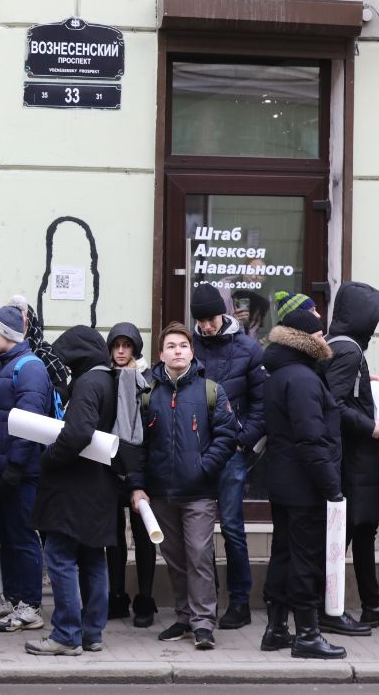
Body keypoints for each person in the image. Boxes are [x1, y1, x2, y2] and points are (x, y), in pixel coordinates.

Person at [129, 322, 236, 651]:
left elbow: (226, 437)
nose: (178, 351)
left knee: (199, 556)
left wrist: (203, 468)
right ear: (161, 355)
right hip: (161, 493)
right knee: (174, 558)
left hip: (198, 493)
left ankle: (203, 623)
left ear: (192, 352)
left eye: (183, 346)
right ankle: (184, 617)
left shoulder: (210, 391)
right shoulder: (148, 394)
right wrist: (138, 486)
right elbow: (138, 445)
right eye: (171, 346)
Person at [27, 326, 126, 656]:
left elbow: (79, 433)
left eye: (66, 357)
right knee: (93, 556)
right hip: (100, 485)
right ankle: (91, 633)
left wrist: (49, 457)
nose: (65, 365)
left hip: (74, 488)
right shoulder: (109, 379)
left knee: (59, 555)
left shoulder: (87, 383)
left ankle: (66, 634)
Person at [259, 309, 347, 660]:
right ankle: (308, 634)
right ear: (305, 339)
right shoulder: (302, 379)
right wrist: (331, 486)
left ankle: (276, 629)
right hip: (305, 484)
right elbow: (311, 438)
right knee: (305, 559)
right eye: (320, 334)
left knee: (283, 553)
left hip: (283, 481)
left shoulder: (281, 374)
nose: (325, 339)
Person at [319, 281, 379, 635]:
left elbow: (337, 393)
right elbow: (333, 404)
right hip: (354, 461)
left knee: (364, 529)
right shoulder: (349, 351)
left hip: (355, 460)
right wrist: (370, 427)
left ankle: (372, 603)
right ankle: (326, 608)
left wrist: (366, 382)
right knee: (348, 533)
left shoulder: (337, 345)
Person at [189, 282, 266, 631]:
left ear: (222, 314)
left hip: (232, 451)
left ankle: (239, 602)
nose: (207, 326)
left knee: (233, 527)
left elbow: (261, 404)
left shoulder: (247, 348)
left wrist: (242, 441)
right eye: (201, 320)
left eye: (211, 319)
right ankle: (205, 602)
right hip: (196, 451)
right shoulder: (189, 347)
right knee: (199, 530)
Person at [0, 303, 52, 633]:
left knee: (22, 536)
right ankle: (12, 598)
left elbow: (29, 423)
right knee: (6, 536)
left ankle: (30, 606)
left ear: (7, 334)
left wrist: (16, 466)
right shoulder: (0, 364)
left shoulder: (29, 367)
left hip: (19, 471)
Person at [104, 321, 155, 627]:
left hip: (140, 466)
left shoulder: (147, 380)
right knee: (113, 536)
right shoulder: (105, 377)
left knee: (143, 534)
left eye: (127, 346)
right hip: (110, 466)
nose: (121, 351)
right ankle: (116, 595)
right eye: (116, 346)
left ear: (135, 348)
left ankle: (145, 599)